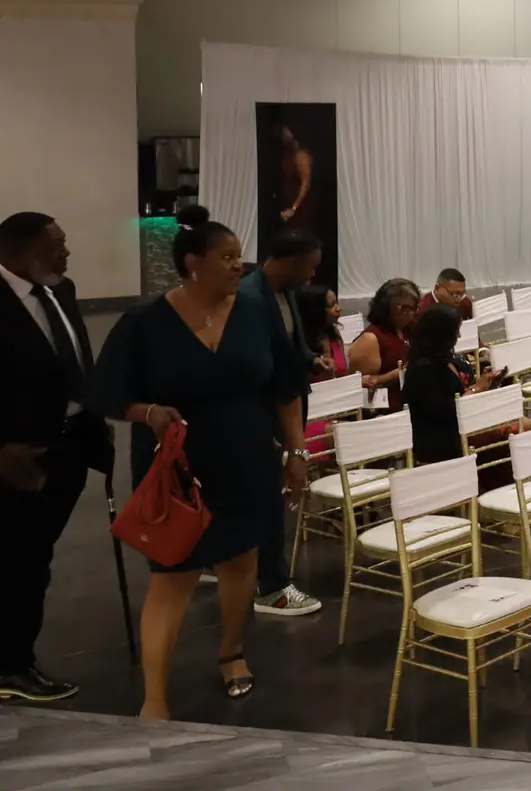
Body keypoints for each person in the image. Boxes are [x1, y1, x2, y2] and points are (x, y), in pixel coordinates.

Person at [92, 210, 308, 718]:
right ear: (193, 263)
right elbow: (107, 394)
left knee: (240, 562)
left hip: (248, 456)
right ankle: (155, 697)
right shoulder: (143, 323)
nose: (239, 266)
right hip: (176, 466)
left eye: (239, 257)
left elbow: (285, 389)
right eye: (227, 257)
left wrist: (296, 452)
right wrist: (148, 412)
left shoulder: (254, 313)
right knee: (173, 574)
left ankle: (232, 652)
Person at [0, 212, 109, 704]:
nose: (67, 253)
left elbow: (76, 357)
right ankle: (11, 665)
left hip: (70, 447)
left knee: (35, 555)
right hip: (16, 460)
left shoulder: (59, 291)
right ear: (18, 250)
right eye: (57, 245)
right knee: (18, 560)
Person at [237, 228, 325, 618]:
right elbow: (261, 368)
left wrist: (308, 358)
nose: (311, 277)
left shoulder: (284, 291)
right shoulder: (249, 299)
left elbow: (291, 342)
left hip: (286, 404)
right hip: (266, 413)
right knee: (272, 500)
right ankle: (271, 587)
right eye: (309, 267)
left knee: (269, 496)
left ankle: (237, 565)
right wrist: (292, 445)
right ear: (290, 262)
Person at [403, 304, 529, 491]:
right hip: (442, 435)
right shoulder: (422, 369)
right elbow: (444, 411)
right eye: (456, 332)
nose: (459, 337)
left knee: (522, 423)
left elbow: (460, 395)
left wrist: (482, 384)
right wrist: (476, 390)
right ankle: (497, 490)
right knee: (523, 426)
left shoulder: (445, 358)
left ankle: (502, 488)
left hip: (462, 424)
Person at [349, 277, 419, 411]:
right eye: (405, 308)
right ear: (386, 307)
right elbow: (360, 385)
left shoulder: (411, 329)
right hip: (385, 410)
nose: (410, 313)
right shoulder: (371, 338)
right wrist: (399, 374)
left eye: (414, 308)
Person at [297, 286, 351, 443]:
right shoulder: (301, 345)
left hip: (338, 410)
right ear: (315, 310)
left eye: (337, 303)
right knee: (347, 437)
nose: (339, 308)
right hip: (309, 415)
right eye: (331, 305)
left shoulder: (335, 336)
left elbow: (344, 375)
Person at [271, 124, 315, 229]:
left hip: (300, 211)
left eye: (286, 132)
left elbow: (306, 183)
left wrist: (294, 208)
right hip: (287, 210)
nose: (284, 135)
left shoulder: (301, 156)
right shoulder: (285, 157)